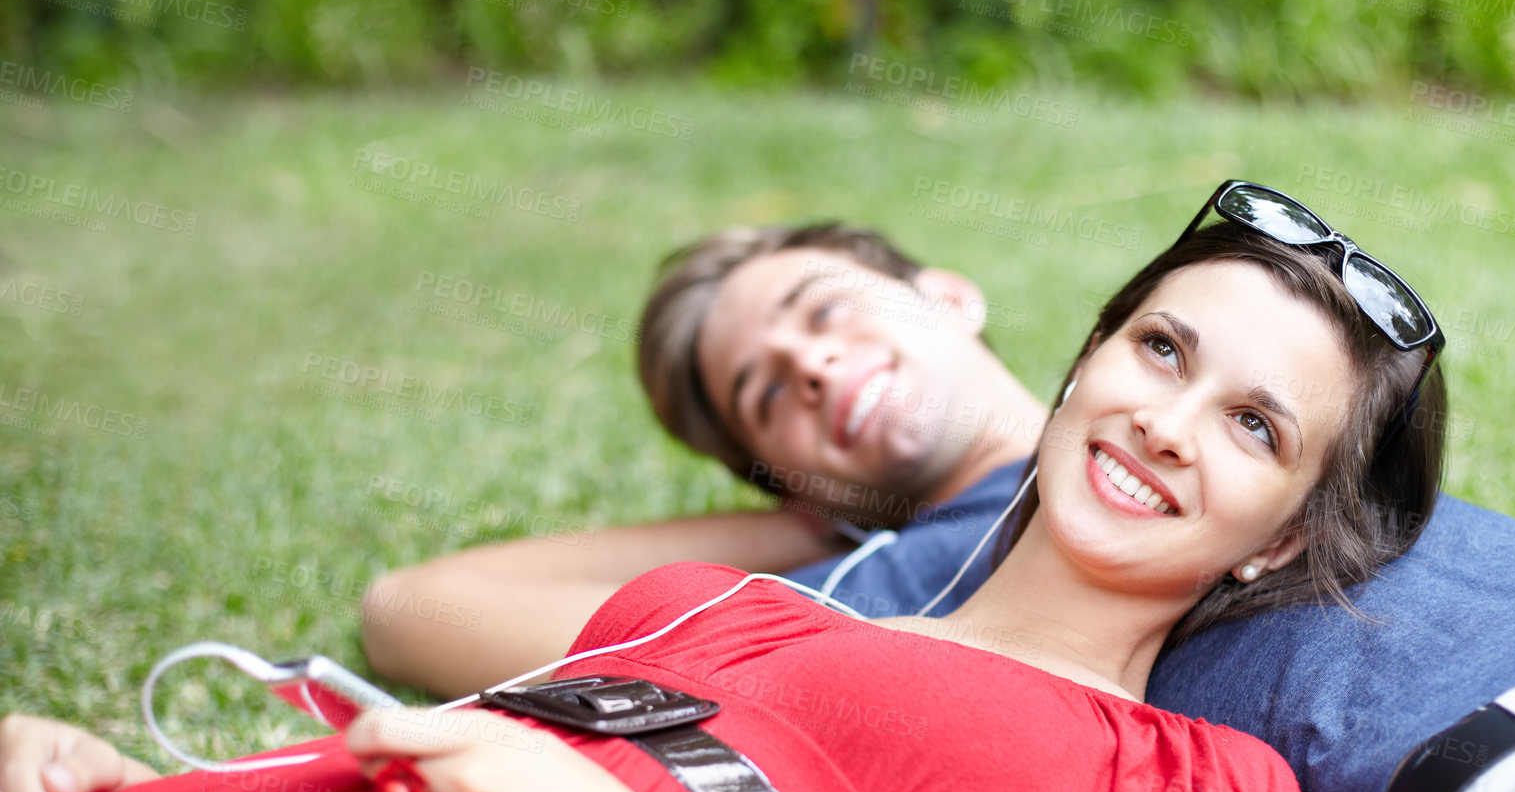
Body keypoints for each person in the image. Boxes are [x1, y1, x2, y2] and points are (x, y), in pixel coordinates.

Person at [0, 188, 1447, 792]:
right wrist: (98, 776)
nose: (1163, 418)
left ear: (1277, 536)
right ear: (1083, 360)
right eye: (1161, 349)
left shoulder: (1203, 784)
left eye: (1255, 425)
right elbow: (425, 623)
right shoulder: (722, 600)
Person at [360, 223, 1052, 700]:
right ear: (795, 488)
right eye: (768, 395)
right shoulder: (889, 595)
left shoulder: (1133, 401)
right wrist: (812, 528)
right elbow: (412, 611)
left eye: (824, 311)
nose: (813, 364)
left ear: (950, 296)